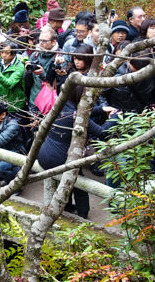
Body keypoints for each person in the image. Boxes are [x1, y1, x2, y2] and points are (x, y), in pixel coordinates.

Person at [37, 84, 118, 218]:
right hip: (60, 160)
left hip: (44, 155)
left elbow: (83, 112)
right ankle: (83, 214)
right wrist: (114, 117)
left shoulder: (58, 106)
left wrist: (102, 109)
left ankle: (67, 206)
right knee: (79, 183)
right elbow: (102, 132)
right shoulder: (75, 116)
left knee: (68, 180)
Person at [0, 42, 27, 113]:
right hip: (2, 102)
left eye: (6, 53)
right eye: (2, 52)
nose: (3, 55)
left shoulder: (19, 66)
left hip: (16, 104)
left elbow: (10, 84)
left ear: (14, 54)